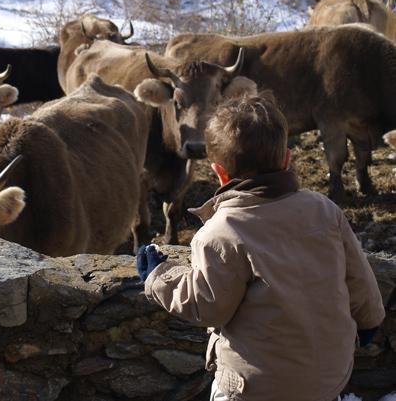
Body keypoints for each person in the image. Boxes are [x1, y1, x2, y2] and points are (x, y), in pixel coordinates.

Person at [137, 94, 385, 401]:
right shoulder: (323, 209)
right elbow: (359, 278)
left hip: (253, 388)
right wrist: (370, 321)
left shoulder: (220, 232)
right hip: (330, 376)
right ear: (287, 159)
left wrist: (158, 276)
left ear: (219, 172)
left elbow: (207, 305)